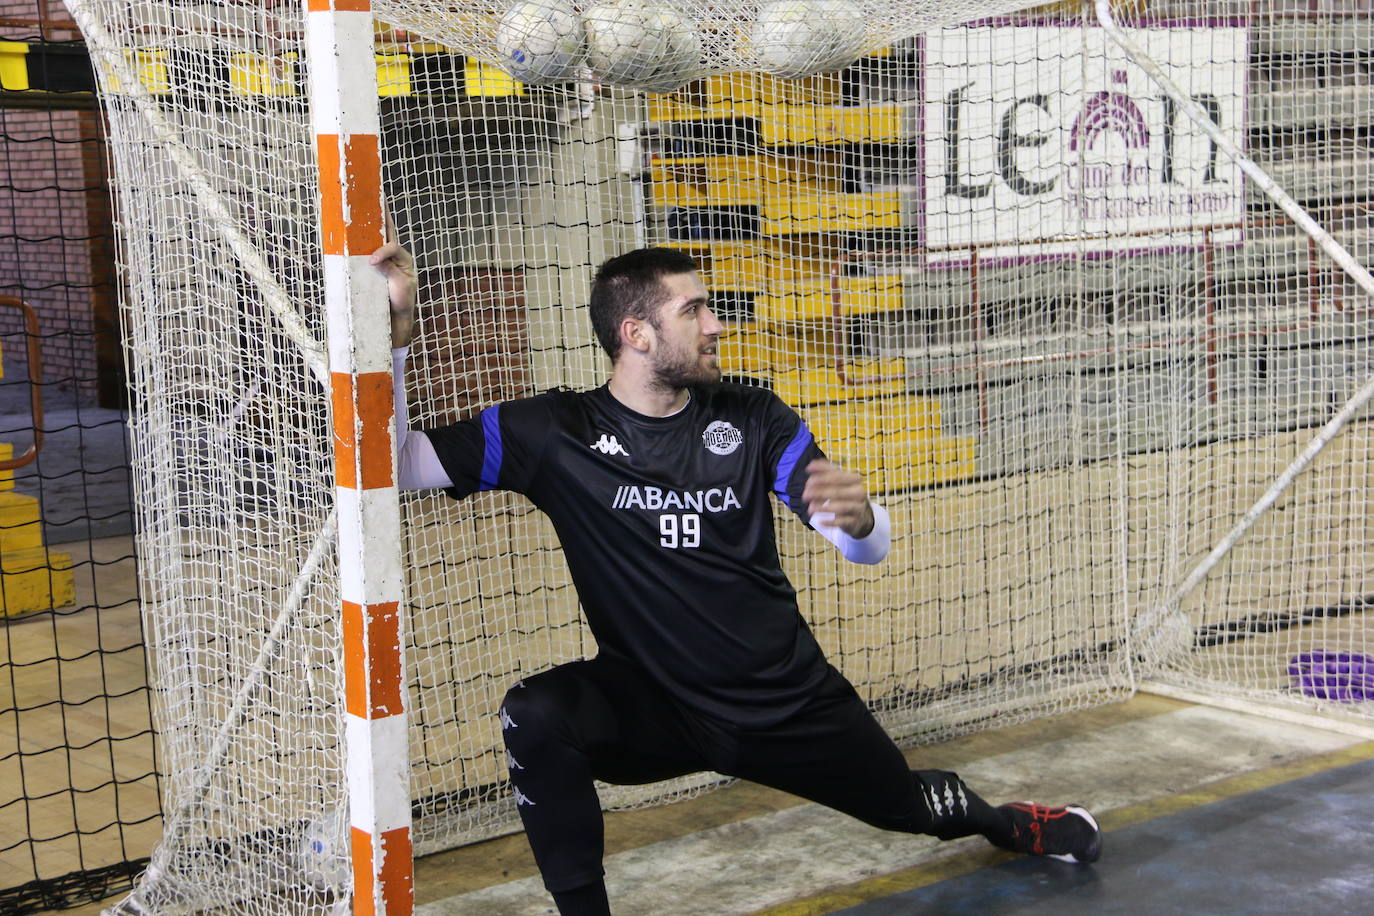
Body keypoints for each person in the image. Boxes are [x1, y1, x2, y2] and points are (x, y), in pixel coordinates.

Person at [370, 241, 1102, 916]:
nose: (716, 324)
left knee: (911, 807)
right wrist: (397, 337)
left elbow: (861, 547)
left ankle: (1010, 822)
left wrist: (859, 521)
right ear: (637, 334)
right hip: (657, 708)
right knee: (534, 712)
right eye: (693, 310)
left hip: (783, 704)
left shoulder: (752, 417)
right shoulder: (552, 433)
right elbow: (398, 464)